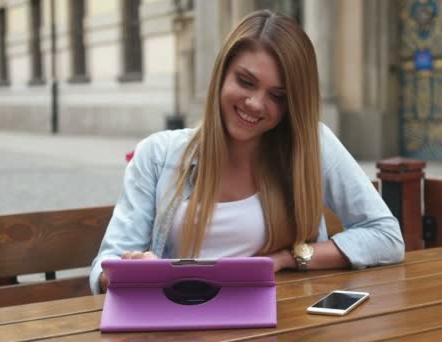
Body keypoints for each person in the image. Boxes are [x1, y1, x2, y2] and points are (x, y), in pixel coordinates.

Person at [90, 9, 404, 294]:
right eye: (245, 81)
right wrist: (129, 271)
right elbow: (105, 267)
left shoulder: (311, 145)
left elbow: (386, 237)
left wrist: (289, 258)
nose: (255, 104)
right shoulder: (157, 155)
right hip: (180, 322)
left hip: (281, 321)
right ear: (221, 73)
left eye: (277, 96)